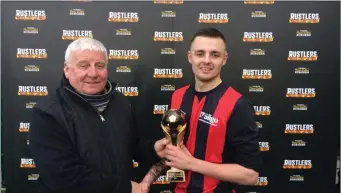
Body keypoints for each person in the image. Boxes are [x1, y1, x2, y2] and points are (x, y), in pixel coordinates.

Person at [28, 37, 168, 193]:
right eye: (84, 65)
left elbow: (130, 143)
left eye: (99, 65)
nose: (93, 73)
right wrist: (124, 188)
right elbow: (63, 176)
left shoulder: (119, 102)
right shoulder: (48, 113)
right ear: (67, 70)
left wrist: (153, 149)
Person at [142, 27, 262, 193]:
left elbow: (250, 175)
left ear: (224, 59)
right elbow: (174, 150)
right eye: (200, 53)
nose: (206, 60)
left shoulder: (237, 104)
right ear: (190, 57)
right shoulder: (178, 96)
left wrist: (191, 163)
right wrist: (147, 181)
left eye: (215, 54)